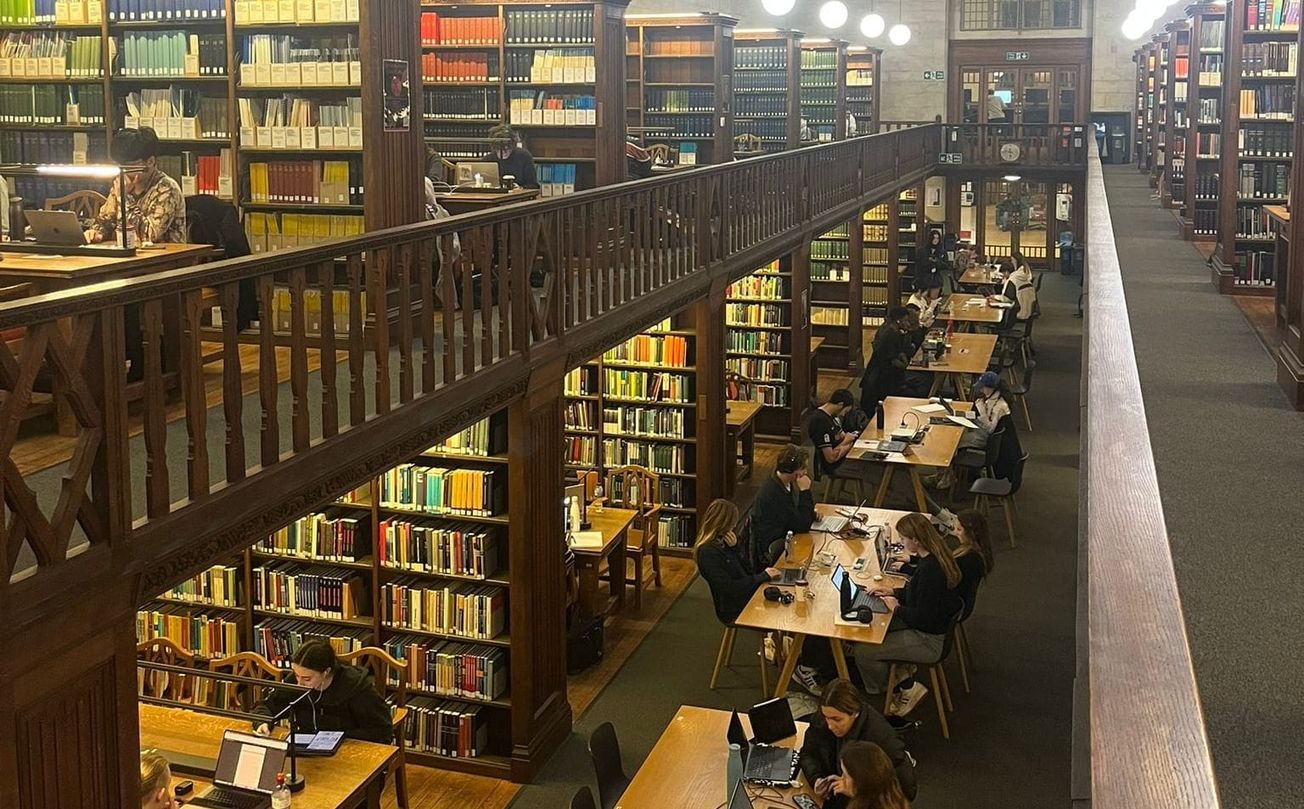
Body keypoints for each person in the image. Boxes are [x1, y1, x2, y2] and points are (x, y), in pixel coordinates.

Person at [853, 512, 963, 715]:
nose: (901, 542)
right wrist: (893, 592)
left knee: (863, 652)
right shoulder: (932, 557)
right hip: (929, 625)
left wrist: (896, 607)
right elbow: (920, 596)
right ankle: (900, 674)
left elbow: (923, 617)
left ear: (915, 540)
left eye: (903, 539)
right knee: (871, 628)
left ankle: (891, 690)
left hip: (928, 639)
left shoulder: (930, 571)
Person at [800, 679, 918, 806]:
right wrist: (816, 779)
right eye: (826, 717)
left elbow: (903, 793)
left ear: (855, 713)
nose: (829, 725)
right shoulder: (825, 717)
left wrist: (857, 792)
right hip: (833, 795)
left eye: (837, 719)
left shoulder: (880, 739)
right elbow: (808, 753)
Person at [254, 640, 394, 743]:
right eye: (296, 675)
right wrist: (262, 722)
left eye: (307, 679)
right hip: (305, 749)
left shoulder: (356, 687)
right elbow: (267, 706)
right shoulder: (297, 681)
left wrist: (339, 737)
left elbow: (381, 731)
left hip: (347, 749)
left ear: (326, 672)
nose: (299, 683)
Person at [87, 127, 186, 245]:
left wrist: (125, 198)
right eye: (120, 166)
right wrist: (96, 232)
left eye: (129, 166)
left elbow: (148, 235)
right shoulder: (123, 184)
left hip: (166, 258)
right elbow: (106, 221)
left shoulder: (167, 189)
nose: (124, 172)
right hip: (130, 255)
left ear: (150, 162)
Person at [696, 498, 780, 624]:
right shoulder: (708, 553)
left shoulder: (725, 543)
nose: (734, 526)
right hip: (734, 607)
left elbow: (748, 570)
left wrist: (735, 549)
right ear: (723, 523)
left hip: (745, 593)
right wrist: (762, 577)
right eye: (732, 522)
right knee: (782, 611)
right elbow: (729, 587)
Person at [749, 444, 815, 566]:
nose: (805, 472)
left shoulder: (783, 482)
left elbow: (793, 513)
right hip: (772, 546)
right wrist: (805, 492)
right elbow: (802, 525)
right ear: (792, 471)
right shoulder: (774, 492)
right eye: (803, 468)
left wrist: (812, 514)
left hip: (784, 535)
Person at [859, 307, 912, 413]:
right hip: (880, 376)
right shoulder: (889, 335)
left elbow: (899, 352)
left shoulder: (894, 331)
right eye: (905, 320)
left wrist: (907, 363)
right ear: (898, 321)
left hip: (883, 372)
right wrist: (907, 367)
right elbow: (892, 360)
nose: (908, 324)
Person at [835, 740, 912, 809]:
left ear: (861, 782)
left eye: (846, 775)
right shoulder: (894, 799)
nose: (842, 778)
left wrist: (822, 802)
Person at [808, 389, 860, 482]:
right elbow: (830, 458)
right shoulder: (820, 421)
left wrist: (848, 439)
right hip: (834, 466)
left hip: (842, 457)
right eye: (845, 411)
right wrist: (847, 443)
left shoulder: (831, 415)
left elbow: (842, 435)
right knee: (871, 467)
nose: (844, 414)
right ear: (840, 404)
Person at [952, 508, 994, 616]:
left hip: (955, 608)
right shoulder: (974, 552)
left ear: (972, 533)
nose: (954, 533)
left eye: (959, 529)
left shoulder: (969, 559)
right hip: (960, 603)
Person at [483, 124, 538, 189]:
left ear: (512, 146)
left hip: (518, 196)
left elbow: (533, 185)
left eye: (507, 149)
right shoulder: (488, 160)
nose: (504, 152)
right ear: (494, 148)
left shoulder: (524, 156)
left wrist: (521, 188)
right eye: (499, 149)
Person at [913, 230, 946, 299]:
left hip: (935, 278)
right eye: (934, 238)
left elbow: (946, 265)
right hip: (923, 278)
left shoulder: (942, 251)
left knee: (933, 300)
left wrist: (937, 261)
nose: (935, 240)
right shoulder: (922, 251)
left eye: (937, 238)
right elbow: (918, 266)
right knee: (922, 301)